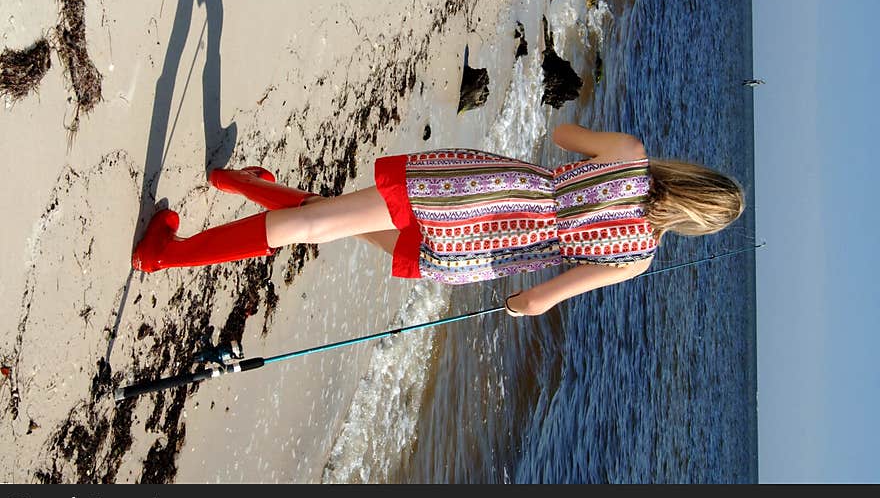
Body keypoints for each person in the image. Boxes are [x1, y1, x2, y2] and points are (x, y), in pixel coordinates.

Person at [131, 124, 744, 317]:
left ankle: (166, 253)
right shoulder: (636, 258)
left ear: (691, 174)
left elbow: (559, 131)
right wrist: (513, 306)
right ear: (694, 224)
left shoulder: (631, 155)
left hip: (484, 192)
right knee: (335, 222)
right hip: (481, 254)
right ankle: (244, 184)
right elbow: (537, 303)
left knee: (321, 225)